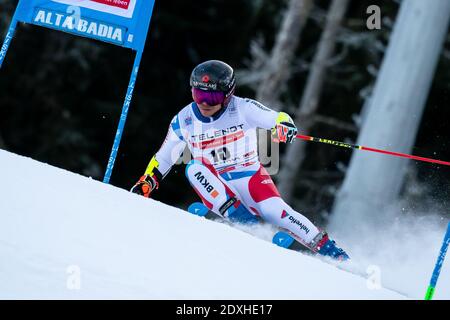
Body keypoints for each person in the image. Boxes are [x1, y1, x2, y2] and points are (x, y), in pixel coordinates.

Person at [131, 60, 349, 261]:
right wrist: (147, 182)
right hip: (216, 185)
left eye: (212, 98)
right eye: (199, 95)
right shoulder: (184, 120)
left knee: (277, 211)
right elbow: (164, 157)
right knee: (194, 168)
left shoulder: (243, 108)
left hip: (250, 178)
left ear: (228, 94)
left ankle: (332, 252)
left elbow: (277, 117)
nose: (204, 104)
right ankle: (245, 222)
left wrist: (284, 126)